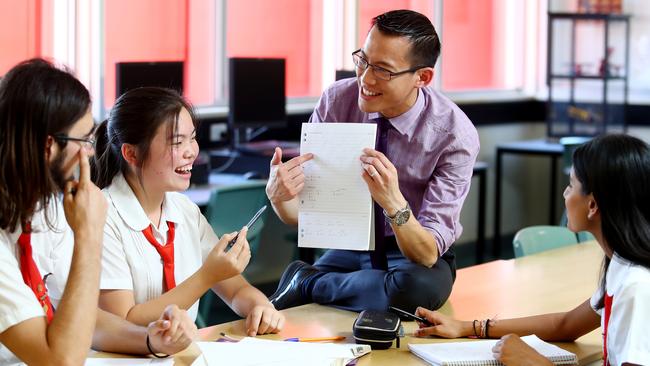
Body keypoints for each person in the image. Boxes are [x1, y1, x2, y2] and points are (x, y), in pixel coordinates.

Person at [267, 9, 479, 313]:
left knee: (417, 292)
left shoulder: (454, 135)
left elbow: (428, 253)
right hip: (351, 242)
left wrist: (393, 202)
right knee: (289, 313)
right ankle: (331, 284)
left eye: (383, 70)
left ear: (423, 77)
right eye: (363, 60)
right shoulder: (336, 102)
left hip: (410, 249)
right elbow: (306, 215)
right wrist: (278, 197)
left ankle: (310, 284)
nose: (365, 78)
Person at [0, 59, 196, 365]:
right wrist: (89, 234)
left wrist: (150, 339)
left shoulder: (47, 207)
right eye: (84, 140)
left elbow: (82, 316)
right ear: (48, 146)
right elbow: (60, 360)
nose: (91, 151)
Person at [414, 134, 650, 366]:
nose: (565, 194)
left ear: (592, 205)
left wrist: (534, 361)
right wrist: (467, 327)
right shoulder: (621, 265)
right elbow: (565, 324)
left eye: (570, 186)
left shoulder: (636, 287)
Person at [92, 87, 285, 338]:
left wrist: (260, 306)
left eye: (192, 138)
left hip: (178, 353)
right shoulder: (103, 218)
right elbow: (124, 322)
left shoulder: (184, 210)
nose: (191, 151)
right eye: (176, 142)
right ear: (132, 153)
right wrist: (207, 277)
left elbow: (235, 289)